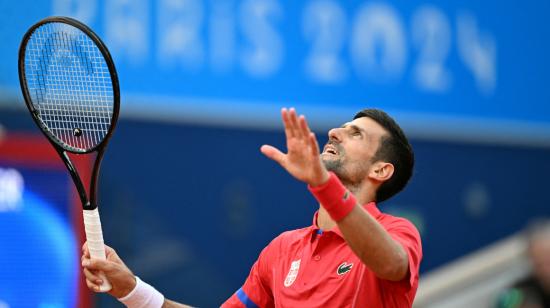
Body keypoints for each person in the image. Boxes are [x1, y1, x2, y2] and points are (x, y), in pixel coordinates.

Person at [82, 108, 422, 307]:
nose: (334, 132)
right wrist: (131, 289)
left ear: (381, 170)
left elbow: (391, 263)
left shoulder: (398, 234)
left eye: (355, 134)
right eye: (342, 127)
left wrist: (323, 183)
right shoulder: (283, 250)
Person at [496, 220, 550, 308]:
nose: (545, 270)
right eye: (539, 264)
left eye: (548, 261)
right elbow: (503, 302)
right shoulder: (522, 290)